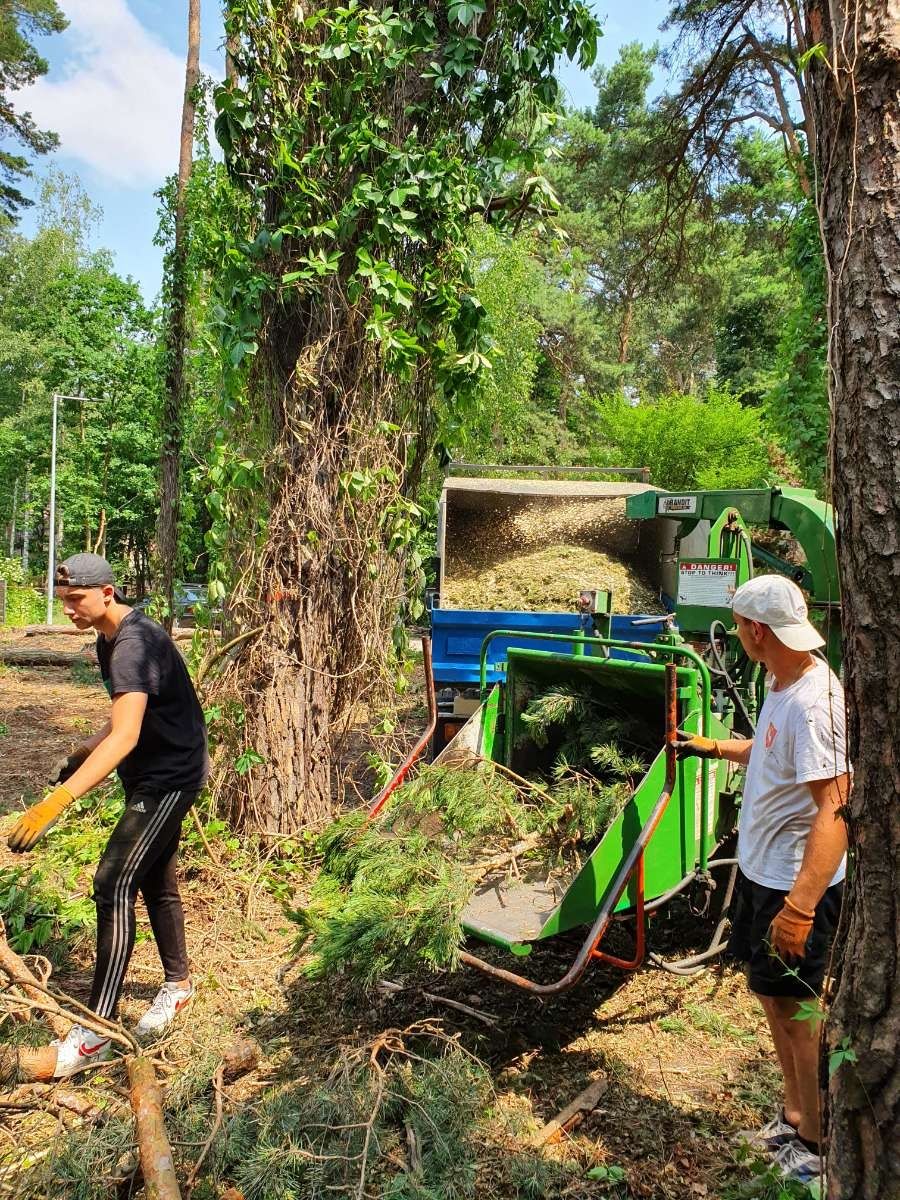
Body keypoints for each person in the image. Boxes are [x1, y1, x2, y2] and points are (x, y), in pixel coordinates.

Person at [676, 575, 848, 1186]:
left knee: (800, 1010)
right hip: (761, 871)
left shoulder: (816, 700)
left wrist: (800, 909)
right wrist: (718, 747)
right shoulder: (782, 679)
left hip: (793, 886)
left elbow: (835, 808)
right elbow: (774, 750)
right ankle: (794, 1114)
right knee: (774, 999)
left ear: (753, 630)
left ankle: (820, 1143)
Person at [8, 554, 208, 1078]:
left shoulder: (131, 644)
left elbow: (127, 736)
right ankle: (178, 986)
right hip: (153, 774)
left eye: (76, 600)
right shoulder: (111, 635)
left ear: (108, 592)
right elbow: (123, 717)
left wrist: (59, 799)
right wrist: (81, 751)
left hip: (168, 778)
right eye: (63, 600)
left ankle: (95, 1032)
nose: (69, 609)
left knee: (112, 881)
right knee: (155, 882)